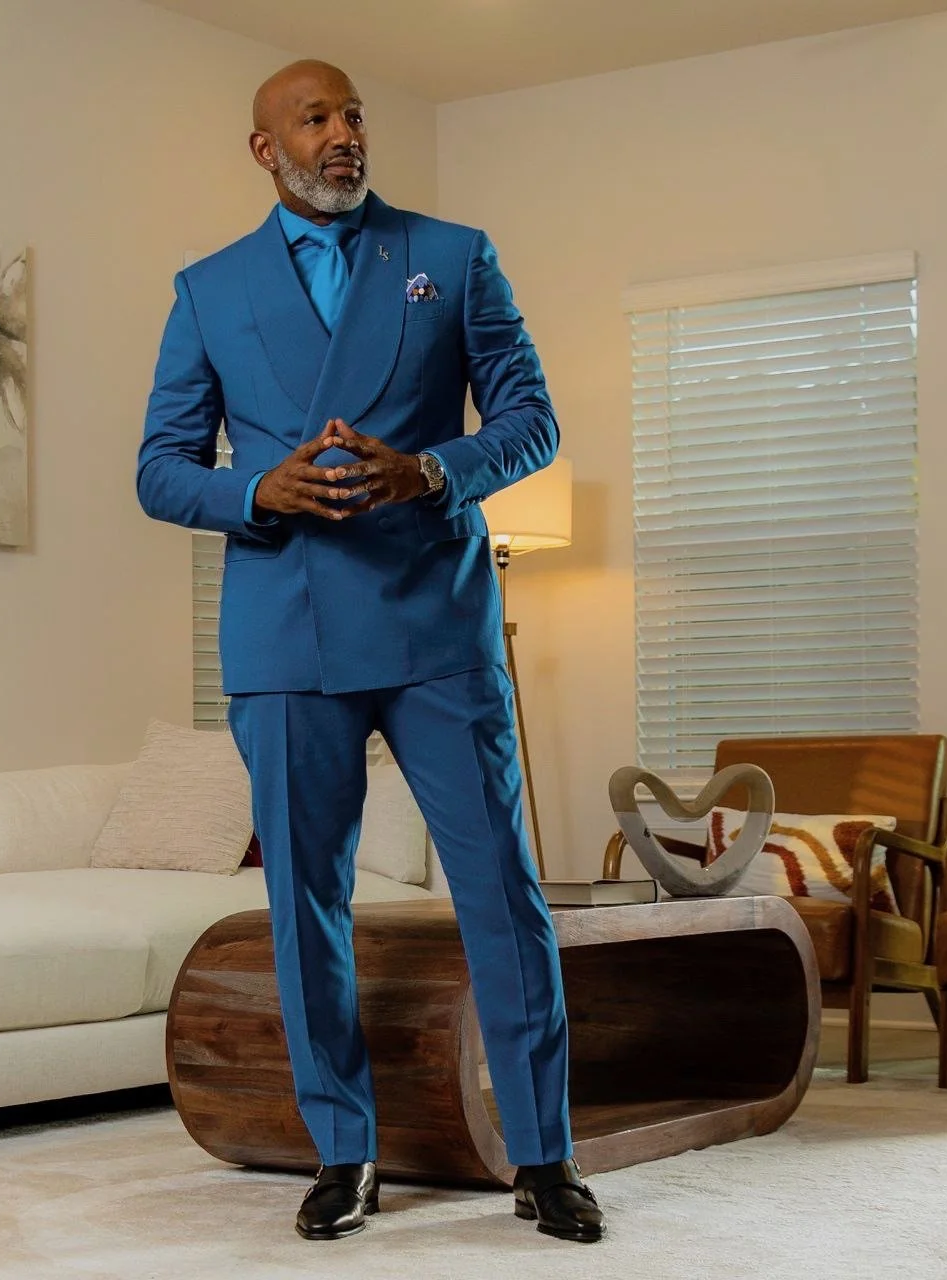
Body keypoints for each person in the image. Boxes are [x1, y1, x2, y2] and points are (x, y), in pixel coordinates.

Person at [137, 59, 604, 1245]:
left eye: (352, 114)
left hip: (433, 615)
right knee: (305, 899)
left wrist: (433, 468)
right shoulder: (208, 288)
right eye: (316, 118)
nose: (343, 133)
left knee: (499, 884)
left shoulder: (451, 255)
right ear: (266, 148)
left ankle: (542, 1151)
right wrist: (258, 488)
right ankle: (342, 1151)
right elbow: (160, 468)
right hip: (284, 625)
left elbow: (531, 419)